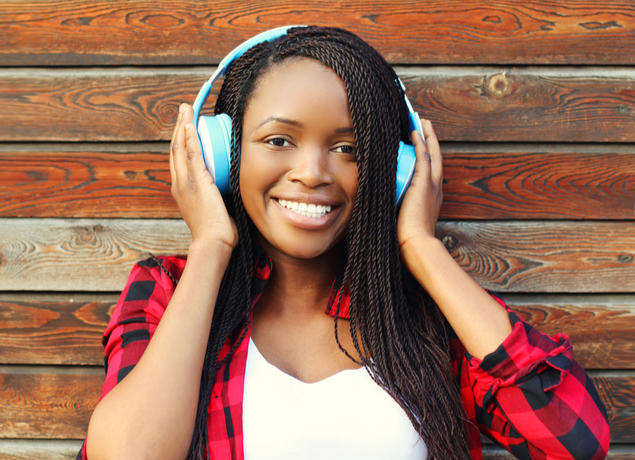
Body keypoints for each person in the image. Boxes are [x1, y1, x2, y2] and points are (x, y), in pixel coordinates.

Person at [79, 26, 610, 460]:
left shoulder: (425, 316)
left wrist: (421, 246)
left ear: (395, 172)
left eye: (349, 148)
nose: (312, 173)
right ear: (222, 152)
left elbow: (573, 441)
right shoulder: (167, 291)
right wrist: (211, 244)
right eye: (279, 140)